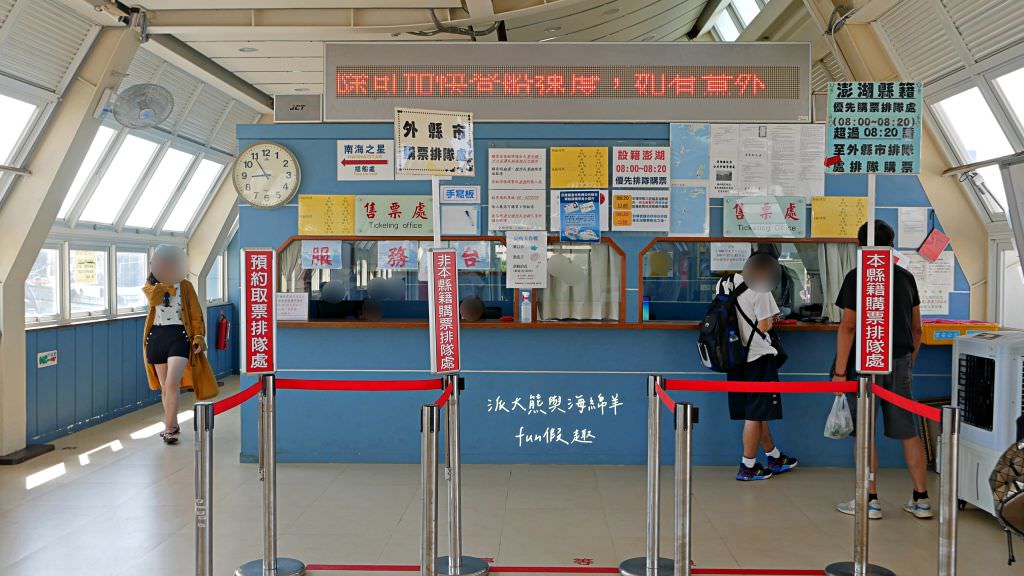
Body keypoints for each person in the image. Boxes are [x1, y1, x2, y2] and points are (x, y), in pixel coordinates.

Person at [832, 220, 931, 519]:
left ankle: (869, 500)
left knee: (865, 432)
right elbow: (917, 329)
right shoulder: (905, 277)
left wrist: (839, 374)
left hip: (863, 362)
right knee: (908, 431)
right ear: (891, 244)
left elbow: (848, 328)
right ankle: (922, 499)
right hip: (899, 361)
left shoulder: (856, 276)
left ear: (861, 245)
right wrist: (907, 364)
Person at [717, 252, 799, 481]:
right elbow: (764, 325)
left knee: (756, 410)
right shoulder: (761, 288)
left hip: (733, 356)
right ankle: (748, 466)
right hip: (757, 358)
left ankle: (773, 456)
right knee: (754, 414)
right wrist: (772, 318)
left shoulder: (725, 282)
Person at [143, 245, 215, 444]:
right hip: (157, 337)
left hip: (179, 336)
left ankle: (168, 430)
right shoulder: (151, 286)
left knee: (172, 384)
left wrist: (198, 337)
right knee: (164, 388)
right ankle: (173, 424)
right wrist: (164, 284)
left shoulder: (186, 286)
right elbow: (153, 300)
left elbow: (195, 315)